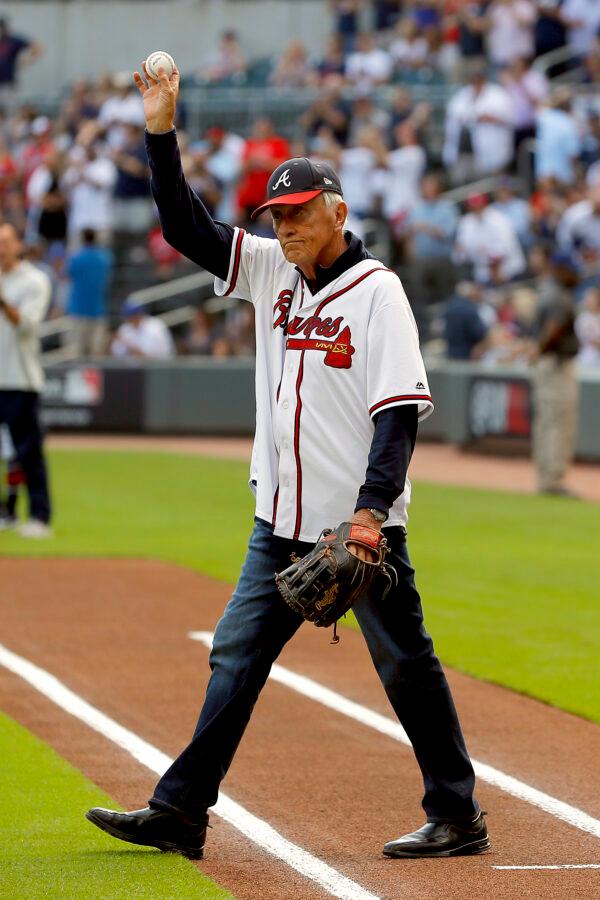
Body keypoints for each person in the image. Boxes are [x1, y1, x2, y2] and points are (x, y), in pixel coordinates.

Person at [86, 58, 489, 861]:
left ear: (337, 211)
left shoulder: (378, 291)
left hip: (360, 530)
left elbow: (400, 412)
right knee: (235, 655)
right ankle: (180, 812)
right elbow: (184, 228)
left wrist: (374, 513)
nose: (285, 227)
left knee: (405, 664)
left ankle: (457, 814)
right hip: (278, 524)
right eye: (277, 215)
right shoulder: (272, 270)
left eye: (301, 213)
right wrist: (161, 129)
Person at [0, 223, 52, 538]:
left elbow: (27, 326)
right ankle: (7, 512)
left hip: (20, 378)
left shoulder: (35, 281)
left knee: (28, 450)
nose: (1, 248)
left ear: (19, 244)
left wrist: (3, 300)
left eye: (6, 241)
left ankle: (39, 516)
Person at [531, 250, 579, 497]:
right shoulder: (559, 295)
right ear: (560, 269)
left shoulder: (548, 292)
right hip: (557, 365)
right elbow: (553, 329)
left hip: (549, 365)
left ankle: (546, 478)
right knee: (558, 423)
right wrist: (538, 350)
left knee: (547, 422)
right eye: (571, 270)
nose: (576, 275)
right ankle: (552, 481)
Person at [66, 228, 113, 357]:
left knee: (75, 353)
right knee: (96, 354)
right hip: (97, 310)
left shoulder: (76, 258)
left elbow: (68, 275)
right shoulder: (104, 258)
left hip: (78, 310)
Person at [0, 17, 42, 108]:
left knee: (8, 110)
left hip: (8, 82)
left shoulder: (13, 40)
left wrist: (26, 61)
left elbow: (37, 48)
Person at [111, 299, 175, 359]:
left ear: (140, 314)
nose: (132, 318)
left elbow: (148, 356)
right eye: (129, 316)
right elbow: (116, 353)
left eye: (134, 315)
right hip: (134, 368)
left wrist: (127, 344)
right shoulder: (125, 328)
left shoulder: (155, 326)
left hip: (161, 366)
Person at [443, 281, 489, 359]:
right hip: (466, 354)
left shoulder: (449, 306)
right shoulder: (468, 309)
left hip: (451, 353)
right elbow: (481, 333)